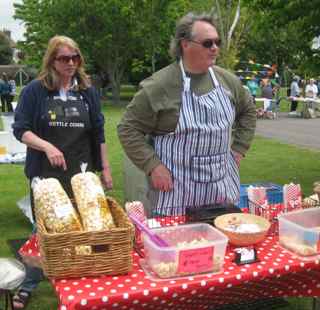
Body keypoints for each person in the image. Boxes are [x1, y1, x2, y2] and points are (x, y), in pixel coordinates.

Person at [118, 13, 256, 216]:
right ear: (185, 44)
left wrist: (239, 148)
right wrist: (152, 165)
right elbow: (127, 129)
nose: (215, 48)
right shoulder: (159, 85)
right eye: (208, 43)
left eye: (218, 42)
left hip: (221, 195)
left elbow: (248, 110)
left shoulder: (228, 81)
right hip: (175, 197)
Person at [12, 35, 113, 309]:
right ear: (52, 61)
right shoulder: (35, 91)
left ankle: (81, 284)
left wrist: (105, 168)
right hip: (45, 175)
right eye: (64, 58)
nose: (71, 63)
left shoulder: (87, 91)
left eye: (75, 57)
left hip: (82, 174)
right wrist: (47, 147)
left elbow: (99, 133)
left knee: (88, 229)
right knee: (43, 232)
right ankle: (30, 283)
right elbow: (21, 129)